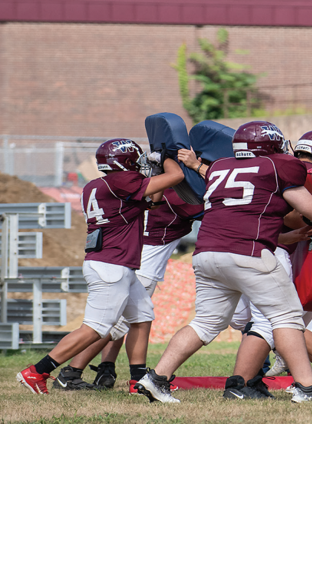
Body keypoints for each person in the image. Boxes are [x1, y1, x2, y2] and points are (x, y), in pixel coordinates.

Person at [136, 120, 312, 403]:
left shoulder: (220, 167)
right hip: (249, 252)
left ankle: (156, 378)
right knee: (286, 318)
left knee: (206, 323)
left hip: (206, 253)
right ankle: (308, 388)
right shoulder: (278, 166)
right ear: (272, 145)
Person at [16, 139, 186, 393]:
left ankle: (137, 380)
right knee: (95, 328)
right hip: (112, 265)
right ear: (125, 162)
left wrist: (158, 173)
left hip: (115, 263)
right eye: (137, 160)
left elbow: (152, 202)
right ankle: (36, 372)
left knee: (141, 317)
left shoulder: (97, 185)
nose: (140, 165)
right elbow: (178, 175)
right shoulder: (121, 182)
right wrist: (165, 159)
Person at [55, 182, 200, 391]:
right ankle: (70, 372)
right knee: (109, 325)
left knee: (119, 322)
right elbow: (212, 206)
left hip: (129, 259)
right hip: (143, 266)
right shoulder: (173, 196)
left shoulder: (135, 189)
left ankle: (110, 369)